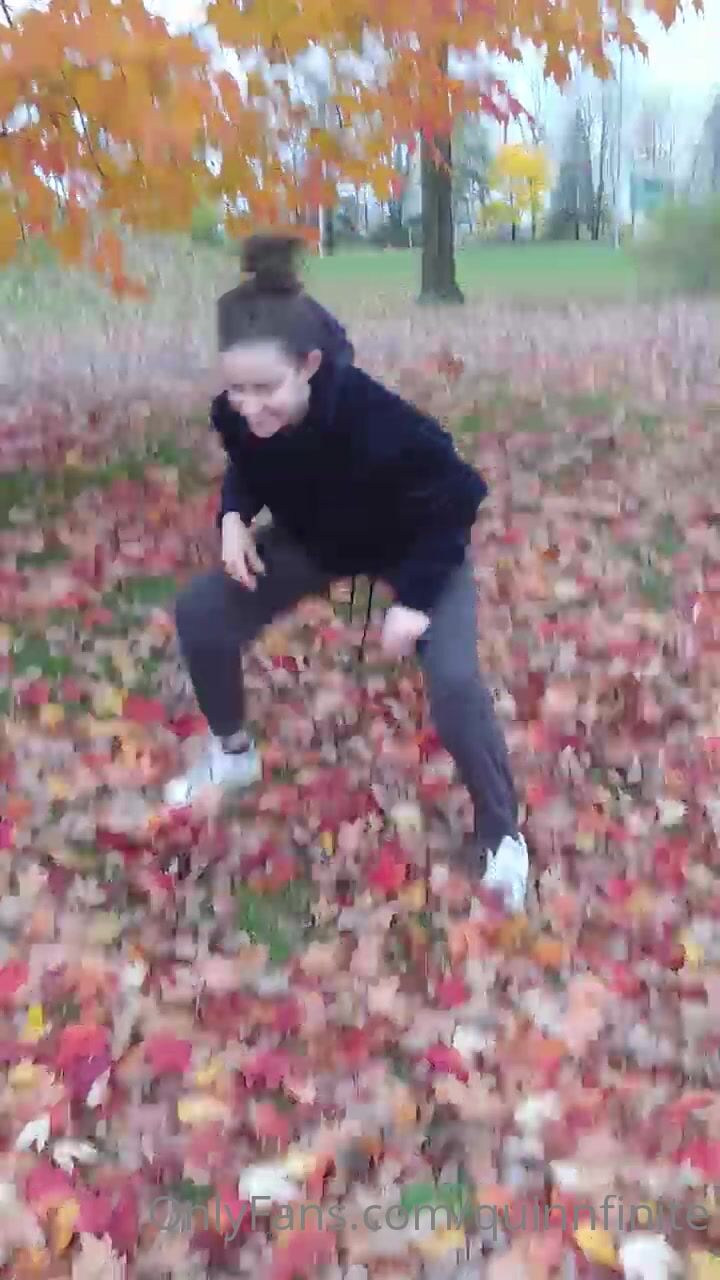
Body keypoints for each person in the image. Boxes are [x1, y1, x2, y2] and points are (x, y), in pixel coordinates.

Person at [164, 234, 529, 912]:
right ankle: (233, 753)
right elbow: (251, 461)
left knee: (453, 681)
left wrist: (415, 600)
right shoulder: (241, 414)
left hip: (417, 546)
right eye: (236, 389)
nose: (249, 406)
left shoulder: (375, 419)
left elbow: (459, 496)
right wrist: (233, 516)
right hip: (321, 541)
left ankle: (503, 835)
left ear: (309, 365)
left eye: (265, 389)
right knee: (202, 612)